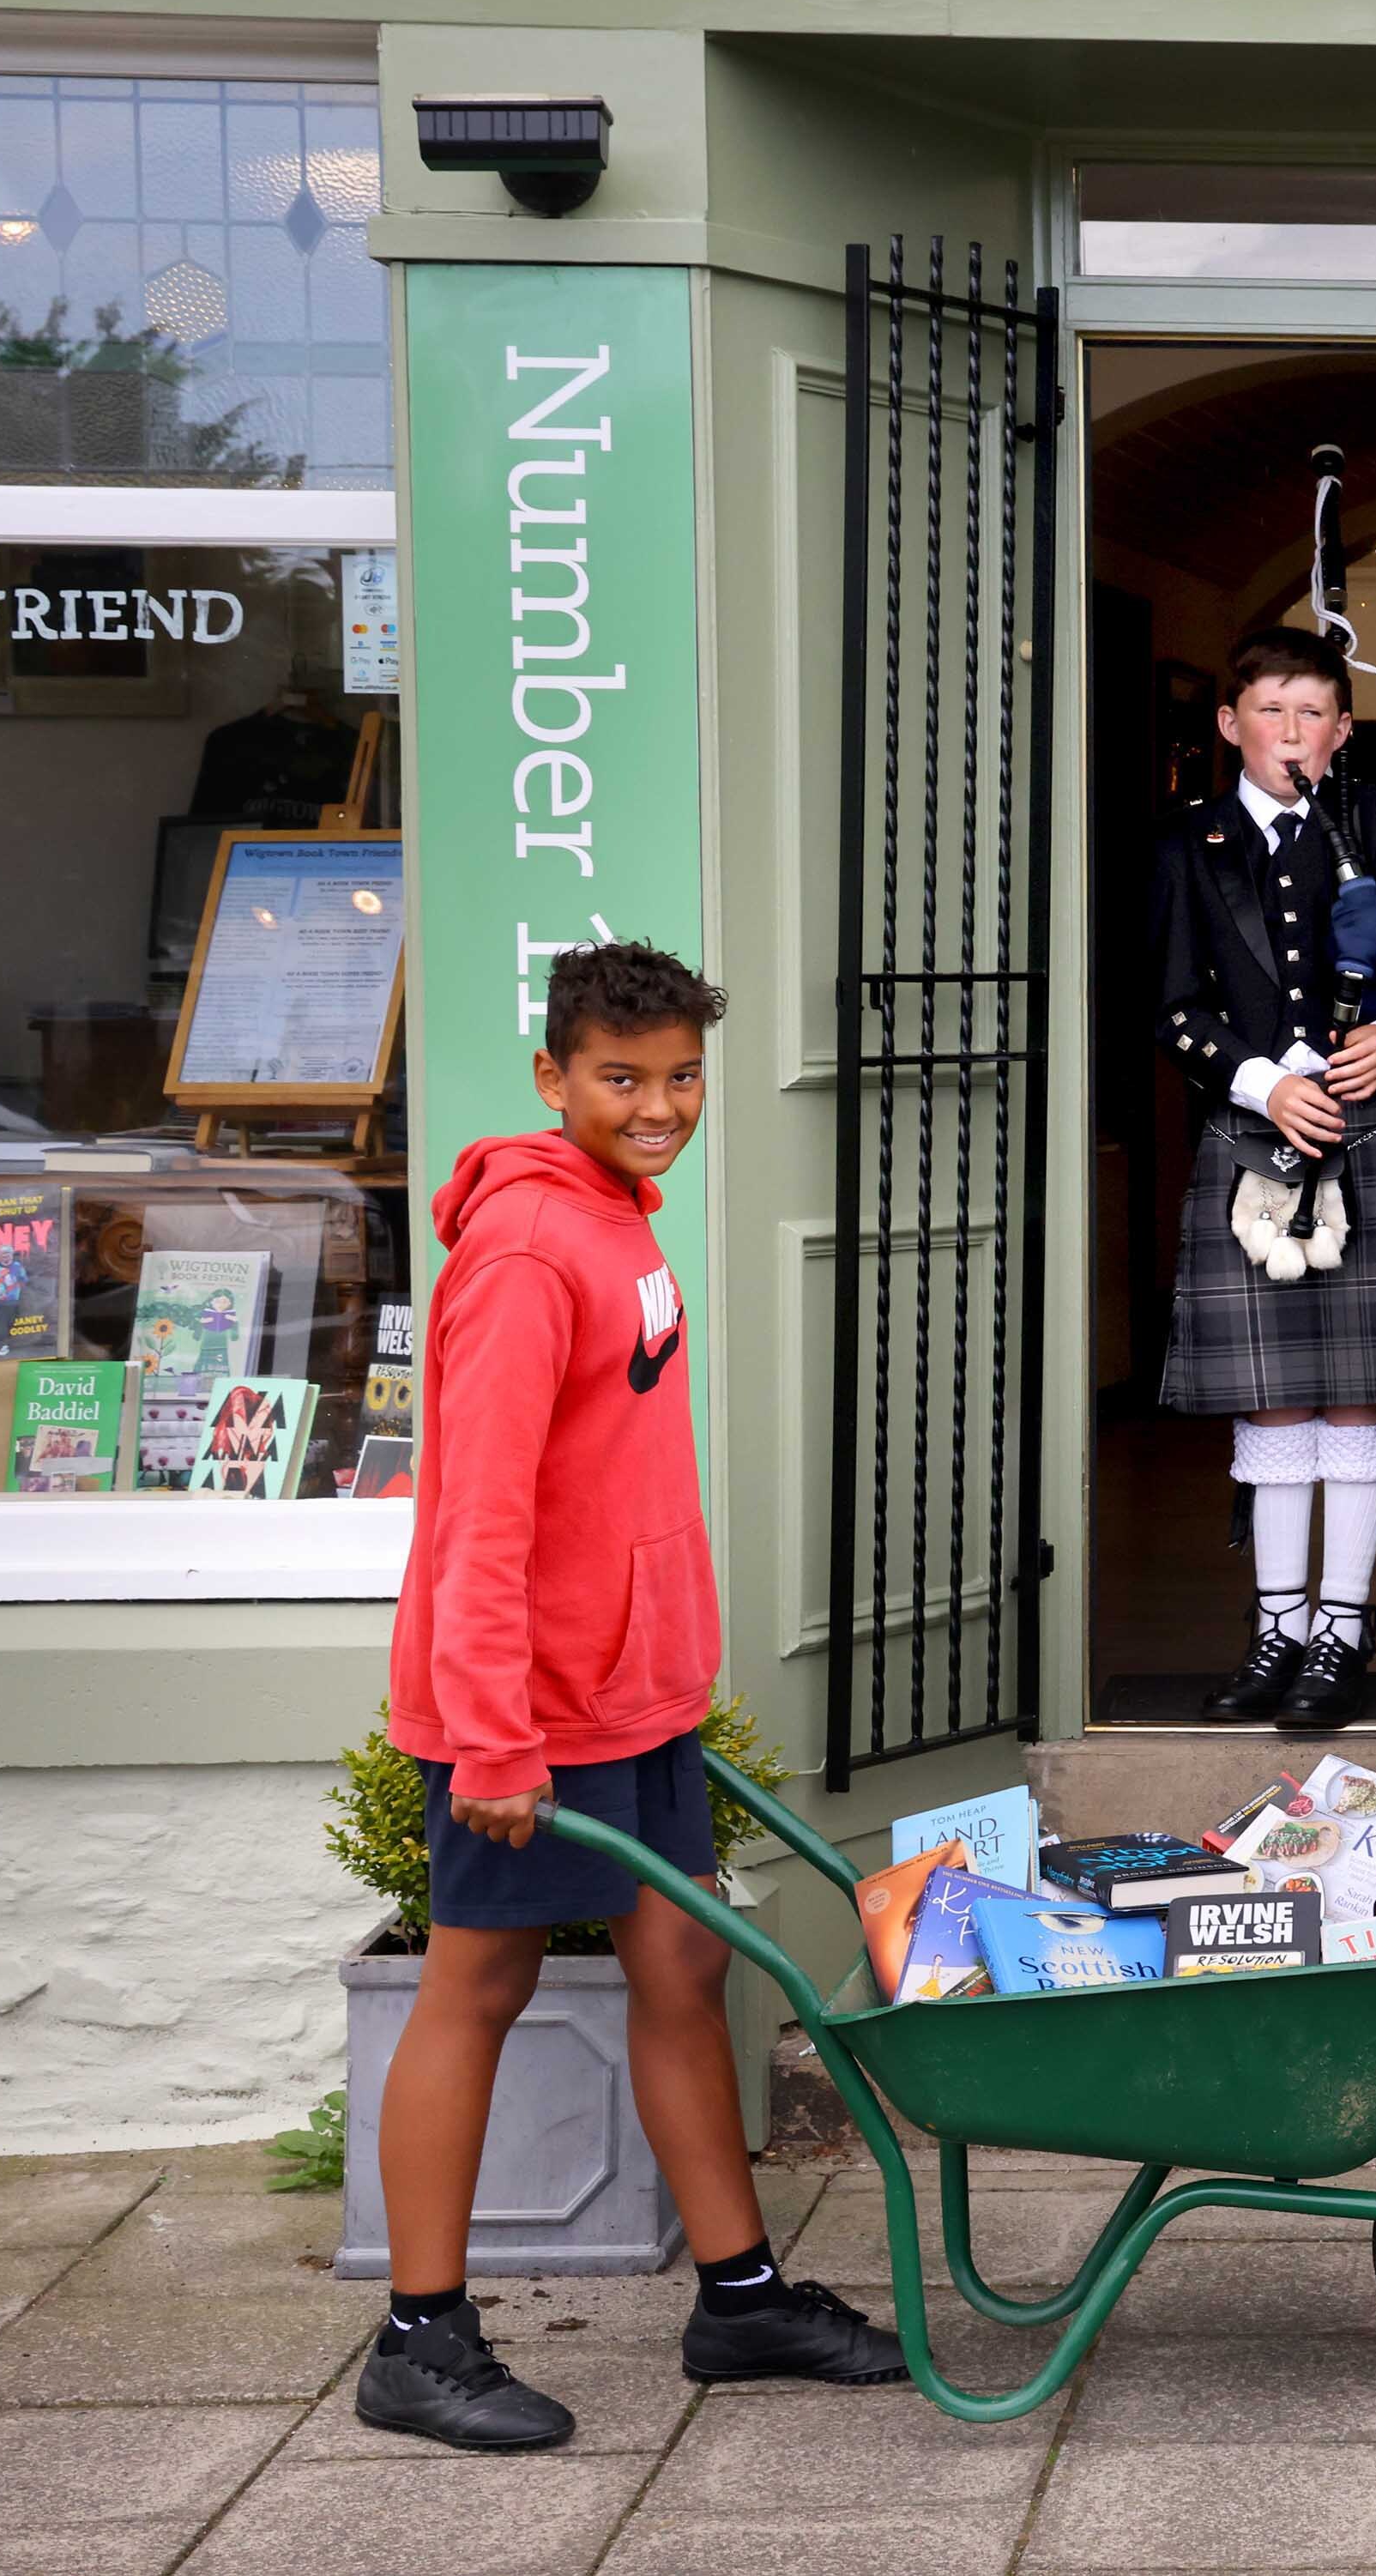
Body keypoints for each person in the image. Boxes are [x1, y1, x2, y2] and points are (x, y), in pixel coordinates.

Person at [364, 941, 902, 2453]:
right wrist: (491, 1733)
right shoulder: (531, 1254)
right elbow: (476, 1518)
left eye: (679, 1076)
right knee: (478, 1985)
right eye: (622, 1079)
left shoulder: (615, 1219)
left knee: (682, 1972)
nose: (659, 1106)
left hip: (635, 1696)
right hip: (530, 1711)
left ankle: (739, 2300)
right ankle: (419, 2337)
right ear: (553, 1077)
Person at [1150, 621, 1376, 1731]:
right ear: (1231, 724)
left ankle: (1342, 1635)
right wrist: (1262, 1081)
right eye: (1271, 711)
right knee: (1271, 1401)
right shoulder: (1190, 841)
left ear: (1343, 728)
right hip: (1258, 1133)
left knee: (1355, 1395)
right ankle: (1276, 1637)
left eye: (1313, 713)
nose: (1291, 733)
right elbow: (1171, 1004)